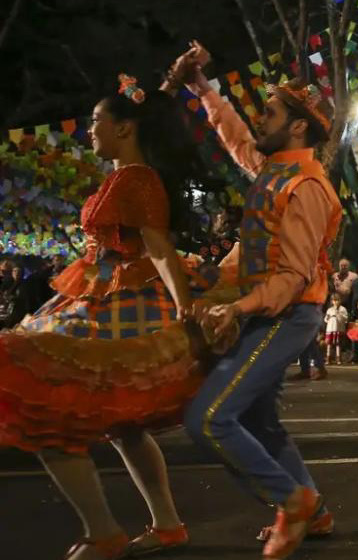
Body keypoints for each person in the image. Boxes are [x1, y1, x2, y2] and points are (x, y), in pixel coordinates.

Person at [0, 75, 219, 560]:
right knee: (123, 426)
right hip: (97, 294)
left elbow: (158, 244)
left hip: (117, 302)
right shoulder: (125, 174)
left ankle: (104, 532)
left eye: (97, 121)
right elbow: (143, 109)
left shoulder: (136, 179)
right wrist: (172, 80)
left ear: (124, 129)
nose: (88, 130)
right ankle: (166, 525)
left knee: (52, 417)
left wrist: (185, 308)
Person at [170, 42, 341, 559]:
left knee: (210, 418)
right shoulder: (274, 169)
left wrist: (236, 308)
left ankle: (291, 502)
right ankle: (317, 511)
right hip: (265, 310)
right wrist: (202, 88)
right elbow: (236, 137)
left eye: (269, 113)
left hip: (288, 314)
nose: (258, 120)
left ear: (297, 128)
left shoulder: (308, 187)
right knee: (261, 423)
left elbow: (292, 277)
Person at [323, 293, 349, 366]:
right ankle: (328, 358)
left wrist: (338, 314)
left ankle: (338, 359)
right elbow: (325, 319)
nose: (335, 302)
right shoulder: (329, 309)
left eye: (337, 300)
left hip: (339, 329)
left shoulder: (343, 309)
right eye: (334, 301)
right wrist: (327, 318)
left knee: (338, 344)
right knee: (329, 344)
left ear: (340, 301)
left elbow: (345, 318)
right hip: (330, 329)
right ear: (332, 301)